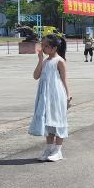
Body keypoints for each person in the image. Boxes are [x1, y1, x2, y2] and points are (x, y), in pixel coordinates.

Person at [29, 34, 71, 162]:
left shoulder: (59, 61)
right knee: (48, 122)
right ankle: (49, 149)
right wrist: (40, 60)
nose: (42, 48)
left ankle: (58, 150)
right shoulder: (45, 61)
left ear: (54, 48)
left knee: (58, 120)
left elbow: (64, 80)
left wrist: (68, 96)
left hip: (57, 95)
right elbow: (36, 76)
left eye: (45, 46)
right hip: (45, 95)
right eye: (42, 45)